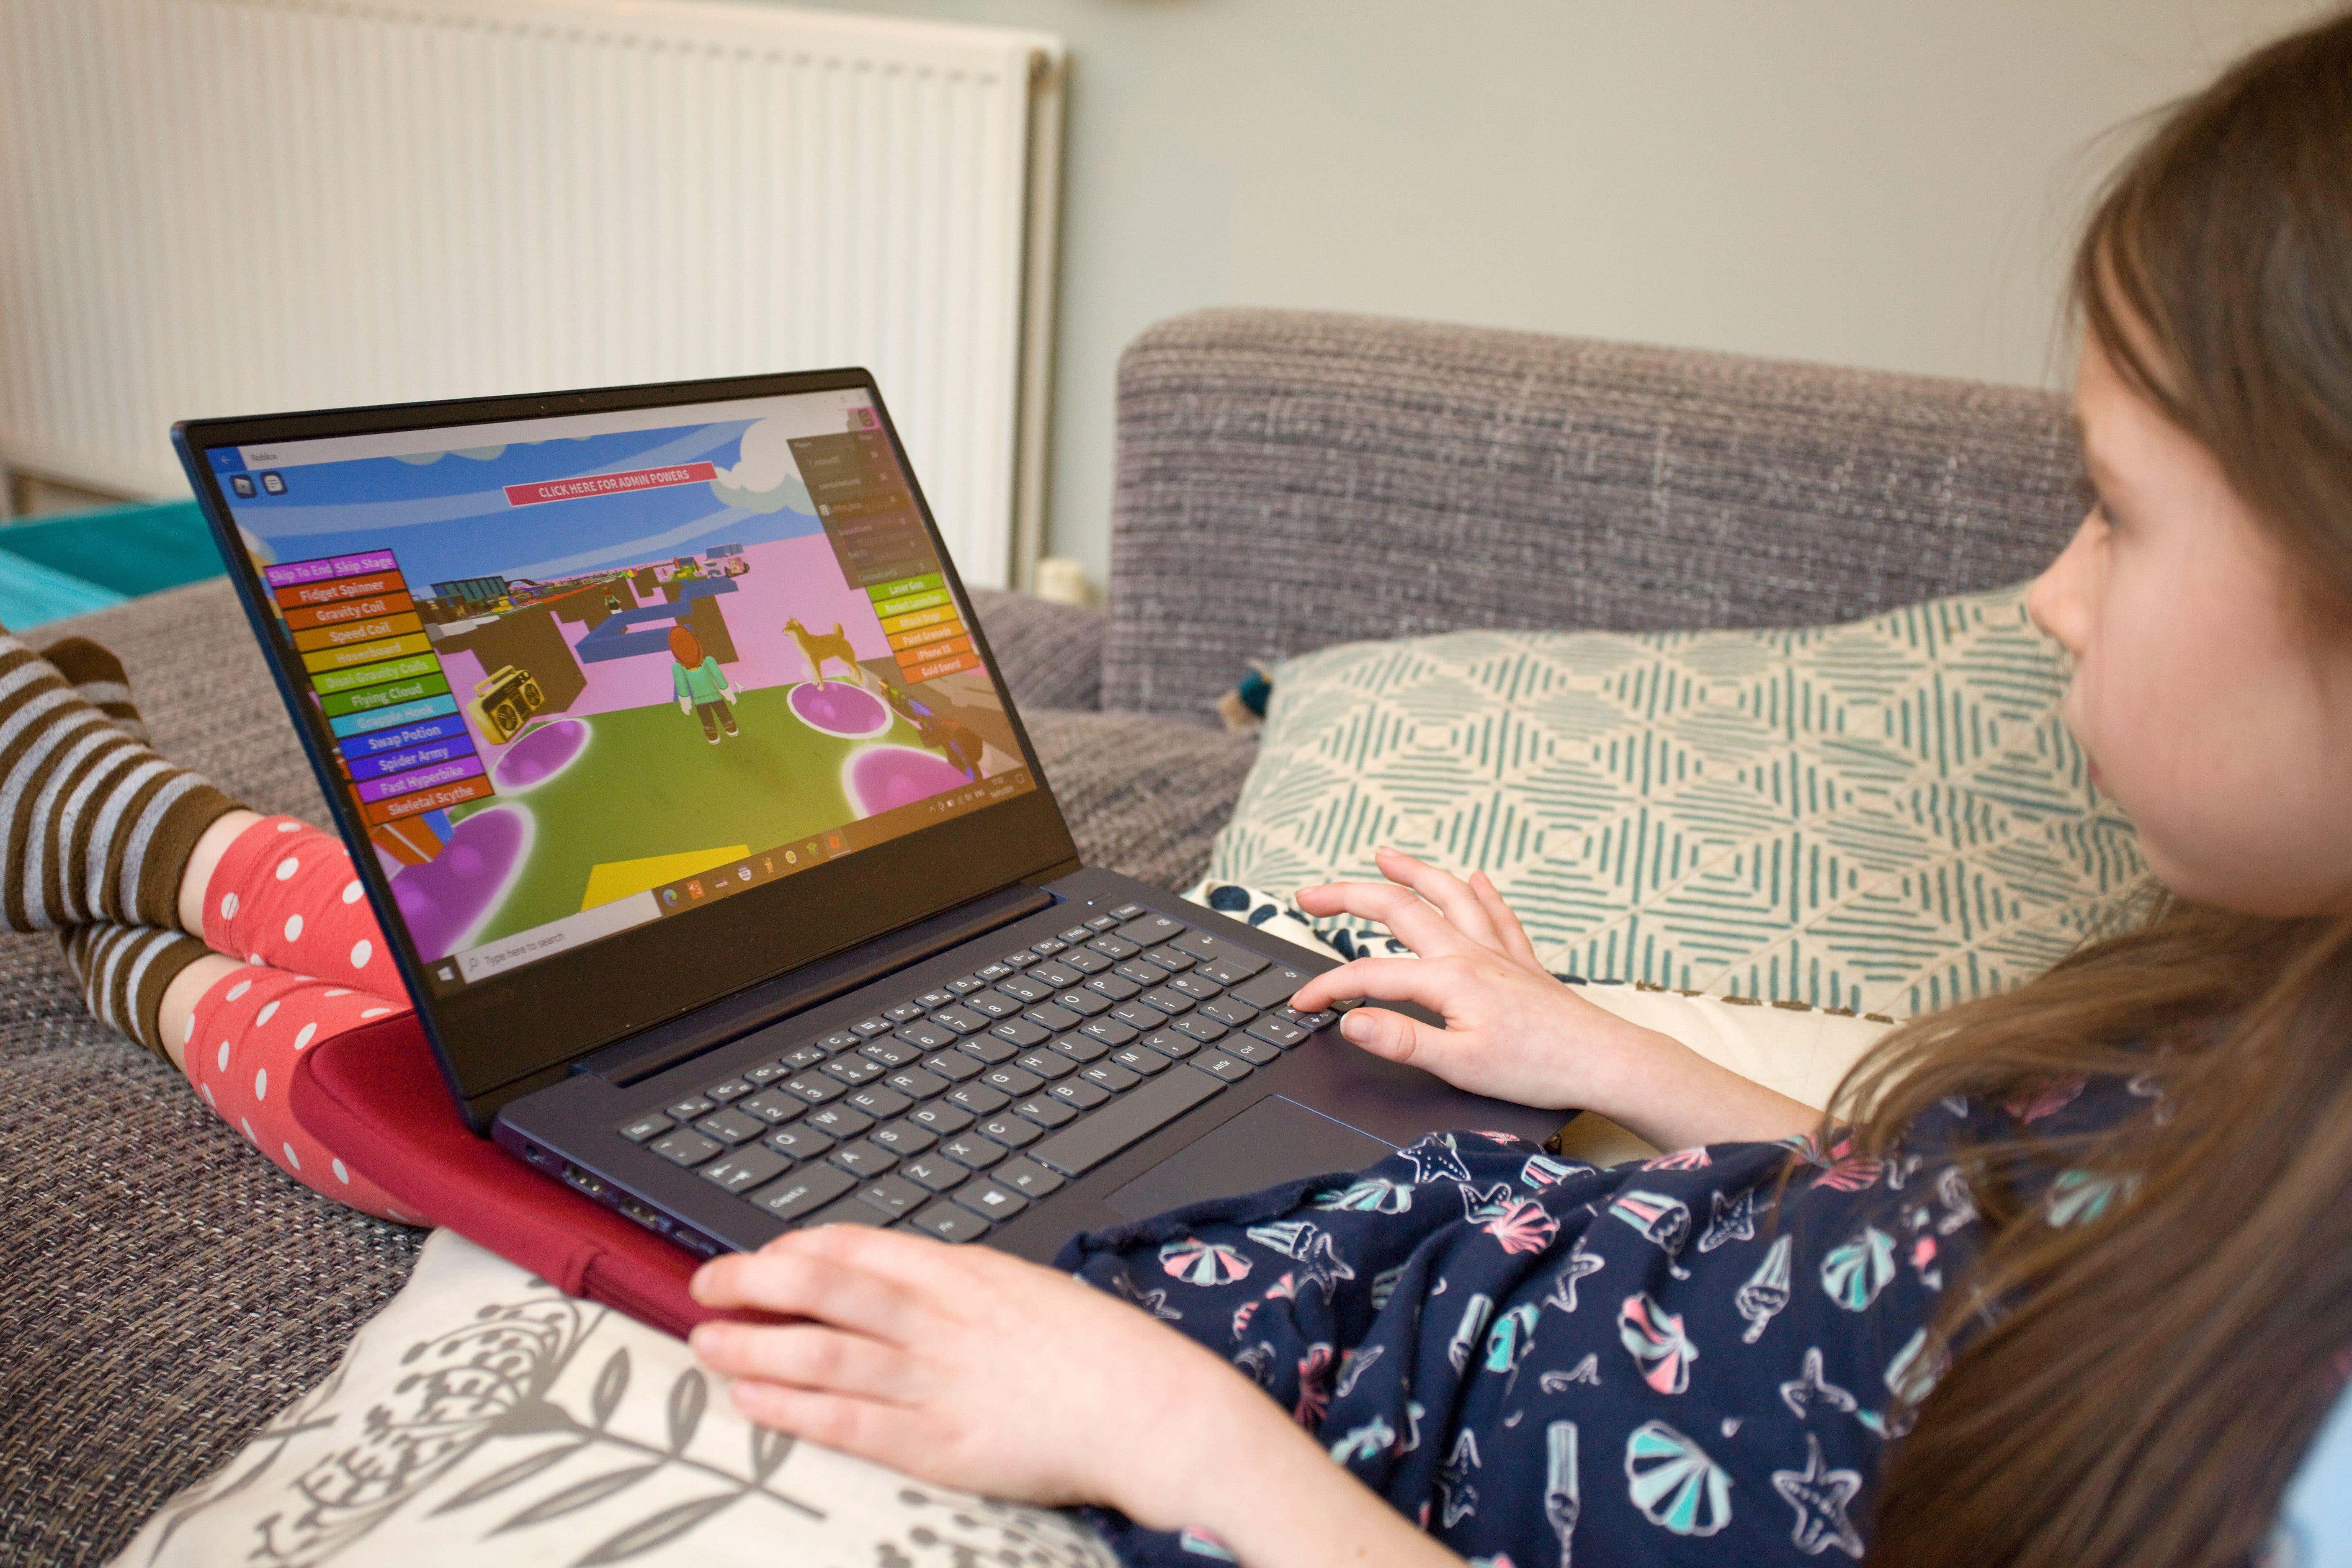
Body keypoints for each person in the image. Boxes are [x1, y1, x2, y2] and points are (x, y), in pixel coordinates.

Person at [7, 14, 2347, 1566]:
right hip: (1462, 1221)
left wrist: (1167, 1433)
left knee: (487, 1086)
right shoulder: (2274, 1069)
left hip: (1283, 1355)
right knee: (561, 985)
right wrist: (1609, 1057)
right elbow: (1984, 1248)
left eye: (2119, 514)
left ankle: (117, 909)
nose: (2045, 599)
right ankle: (115, 827)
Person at [670, 622, 740, 742]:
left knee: (711, 716)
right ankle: (725, 730)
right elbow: (719, 678)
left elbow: (682, 686)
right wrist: (727, 692)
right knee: (712, 716)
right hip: (711, 697)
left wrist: (685, 702)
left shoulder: (683, 666)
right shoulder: (682, 666)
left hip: (704, 699)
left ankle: (722, 731)